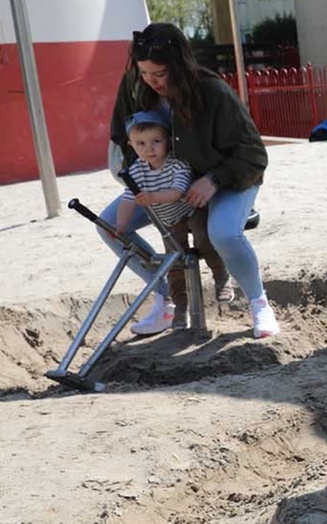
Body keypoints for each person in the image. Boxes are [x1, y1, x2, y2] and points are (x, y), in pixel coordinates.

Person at [99, 22, 279, 338]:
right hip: (164, 186)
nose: (150, 82)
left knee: (223, 233)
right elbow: (122, 139)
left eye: (159, 74)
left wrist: (213, 180)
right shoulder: (135, 85)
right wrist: (147, 180)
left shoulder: (213, 91)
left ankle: (259, 303)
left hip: (226, 179)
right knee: (110, 226)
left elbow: (253, 155)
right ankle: (164, 297)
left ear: (179, 66)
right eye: (144, 73)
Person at [115, 110, 231, 330]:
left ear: (168, 140)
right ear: (131, 146)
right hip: (169, 223)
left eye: (156, 141)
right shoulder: (136, 171)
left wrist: (151, 198)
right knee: (175, 262)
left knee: (204, 240)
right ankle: (180, 309)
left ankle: (221, 276)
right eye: (141, 144)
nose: (149, 148)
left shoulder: (177, 164)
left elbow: (177, 192)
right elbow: (128, 199)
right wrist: (120, 226)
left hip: (192, 211)